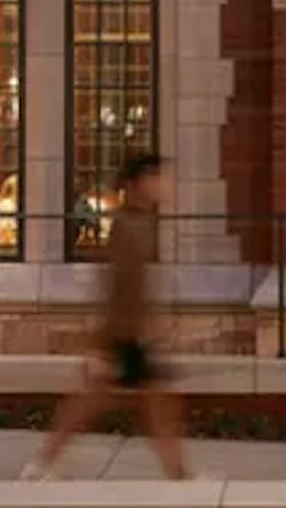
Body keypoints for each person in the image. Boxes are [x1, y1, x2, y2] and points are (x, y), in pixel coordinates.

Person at [28, 153, 192, 480]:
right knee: (96, 402)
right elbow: (120, 284)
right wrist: (112, 339)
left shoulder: (143, 221)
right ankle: (41, 465)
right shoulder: (128, 225)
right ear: (138, 184)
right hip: (125, 335)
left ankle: (179, 474)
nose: (165, 185)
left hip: (130, 333)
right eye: (157, 178)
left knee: (152, 402)